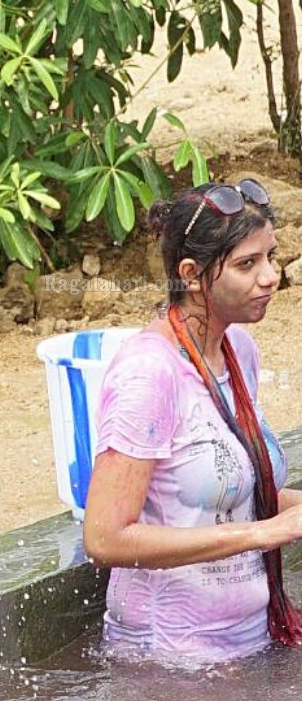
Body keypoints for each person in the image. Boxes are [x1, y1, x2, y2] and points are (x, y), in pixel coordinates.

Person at [84, 180, 302, 663]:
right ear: (192, 274)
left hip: (247, 640)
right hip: (169, 659)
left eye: (271, 256)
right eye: (247, 264)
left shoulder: (238, 350)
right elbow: (104, 537)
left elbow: (232, 490)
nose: (270, 277)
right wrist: (266, 533)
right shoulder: (150, 373)